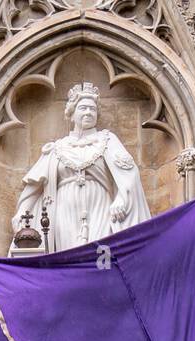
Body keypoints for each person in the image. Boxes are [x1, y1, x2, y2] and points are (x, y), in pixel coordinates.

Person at [11, 81, 150, 252]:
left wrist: (122, 198)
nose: (88, 112)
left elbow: (129, 173)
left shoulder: (107, 140)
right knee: (67, 255)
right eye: (83, 108)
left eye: (92, 109)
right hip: (63, 211)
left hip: (101, 204)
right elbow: (34, 185)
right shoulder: (56, 148)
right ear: (72, 112)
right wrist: (22, 212)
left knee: (100, 258)